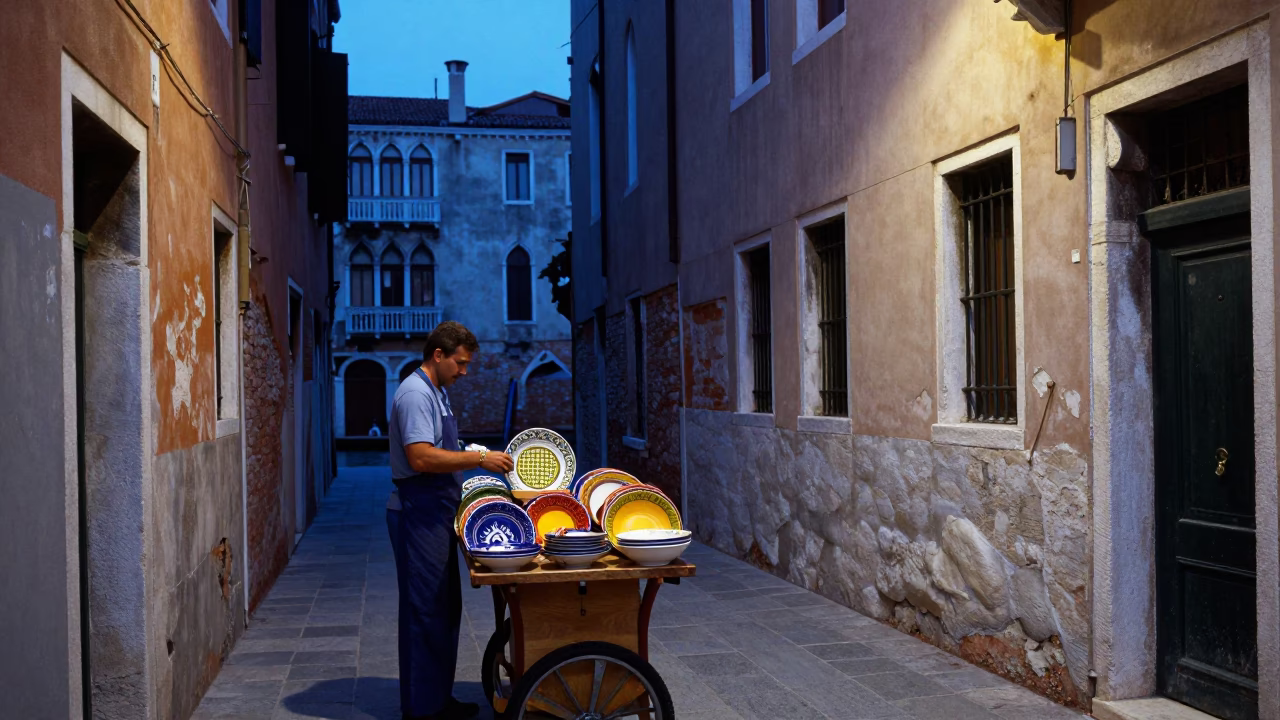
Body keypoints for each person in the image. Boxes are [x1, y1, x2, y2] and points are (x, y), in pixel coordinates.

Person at [387, 321, 514, 720]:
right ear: (438, 355)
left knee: (442, 608)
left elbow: (442, 447)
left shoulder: (437, 392)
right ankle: (422, 710)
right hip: (417, 511)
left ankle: (436, 700)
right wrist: (479, 458)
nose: (464, 371)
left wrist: (465, 451)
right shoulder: (414, 393)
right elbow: (421, 457)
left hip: (438, 509)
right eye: (459, 363)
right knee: (424, 611)